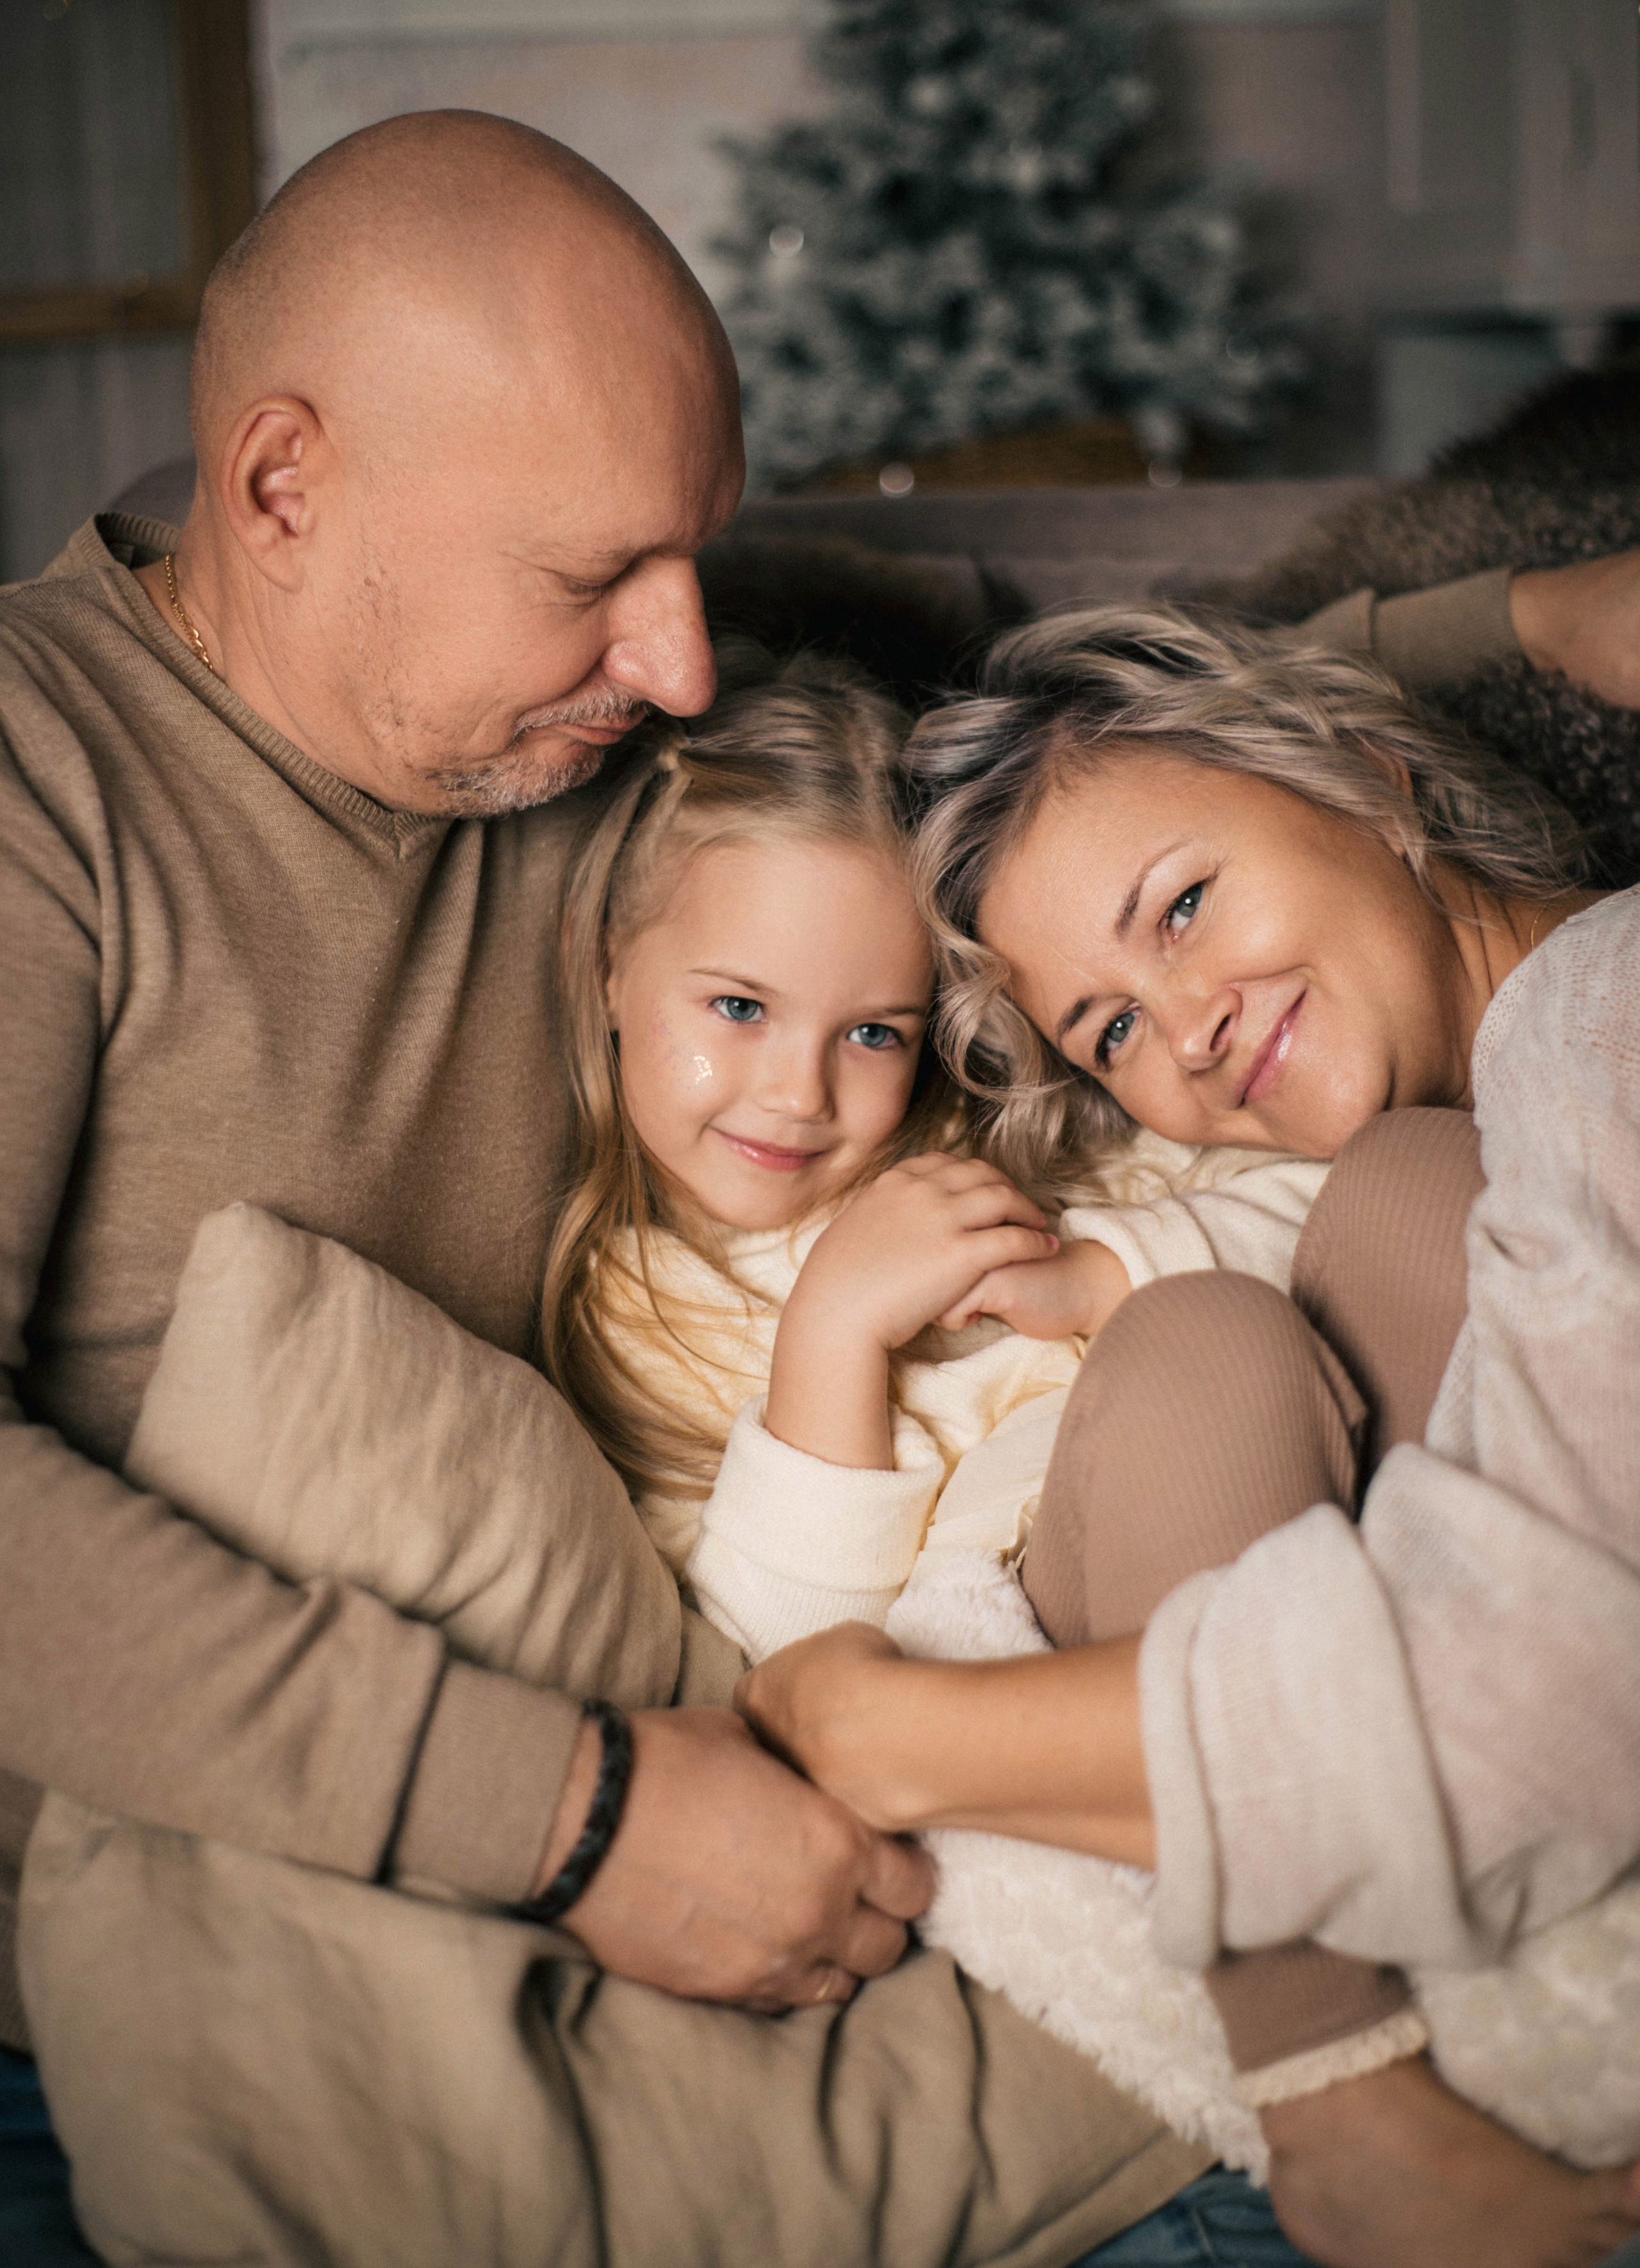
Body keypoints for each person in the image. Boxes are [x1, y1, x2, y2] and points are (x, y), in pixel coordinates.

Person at [0, 105, 1208, 2268]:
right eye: (595, 582)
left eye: (697, 560)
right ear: (287, 488)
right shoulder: (38, 787)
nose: (679, 662)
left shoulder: (618, 736)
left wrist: (1526, 614)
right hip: (228, 1887)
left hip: (724, 1705)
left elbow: (1089, 684)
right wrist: (576, 1819)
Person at [737, 602, 1640, 2268]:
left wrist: (901, 1732)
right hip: (1211, 1543)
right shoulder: (1454, 1118)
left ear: (1370, 776)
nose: (1189, 1022)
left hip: (1414, 1781)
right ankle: (1333, 2089)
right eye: (1112, 1032)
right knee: (1297, 1269)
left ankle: (1335, 2089)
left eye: (1187, 904)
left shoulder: (1607, 1008)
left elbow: (1563, 1695)